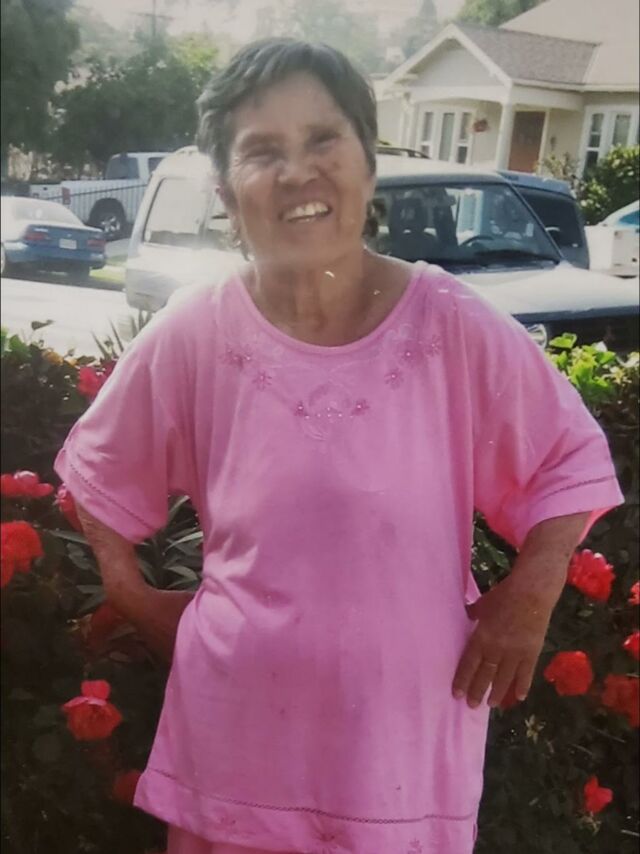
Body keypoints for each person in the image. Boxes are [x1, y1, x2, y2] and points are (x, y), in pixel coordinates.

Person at [54, 38, 623, 854]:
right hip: (235, 751)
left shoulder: (452, 324)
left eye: (323, 139)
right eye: (263, 151)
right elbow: (98, 472)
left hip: (401, 759)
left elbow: (569, 461)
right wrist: (136, 599)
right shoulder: (196, 330)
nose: (298, 172)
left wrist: (530, 596)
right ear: (227, 190)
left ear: (367, 161)